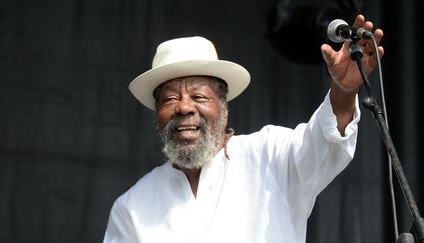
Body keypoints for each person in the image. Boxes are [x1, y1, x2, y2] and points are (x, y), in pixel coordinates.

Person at [103, 14, 384, 243]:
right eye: (170, 99)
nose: (184, 108)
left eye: (199, 97)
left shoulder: (270, 154)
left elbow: (325, 143)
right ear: (158, 115)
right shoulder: (132, 207)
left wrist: (344, 90)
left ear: (223, 106)